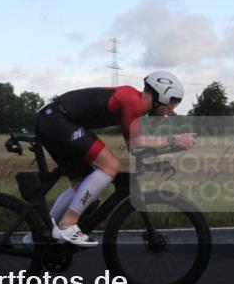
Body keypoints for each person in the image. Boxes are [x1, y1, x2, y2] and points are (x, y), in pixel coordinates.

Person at [33, 71, 197, 247]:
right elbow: (136, 143)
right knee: (110, 165)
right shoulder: (131, 100)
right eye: (173, 102)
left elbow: (135, 148)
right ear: (162, 94)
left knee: (80, 184)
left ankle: (43, 230)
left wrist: (168, 151)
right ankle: (68, 224)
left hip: (52, 119)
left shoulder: (134, 105)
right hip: (57, 119)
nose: (172, 109)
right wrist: (174, 139)